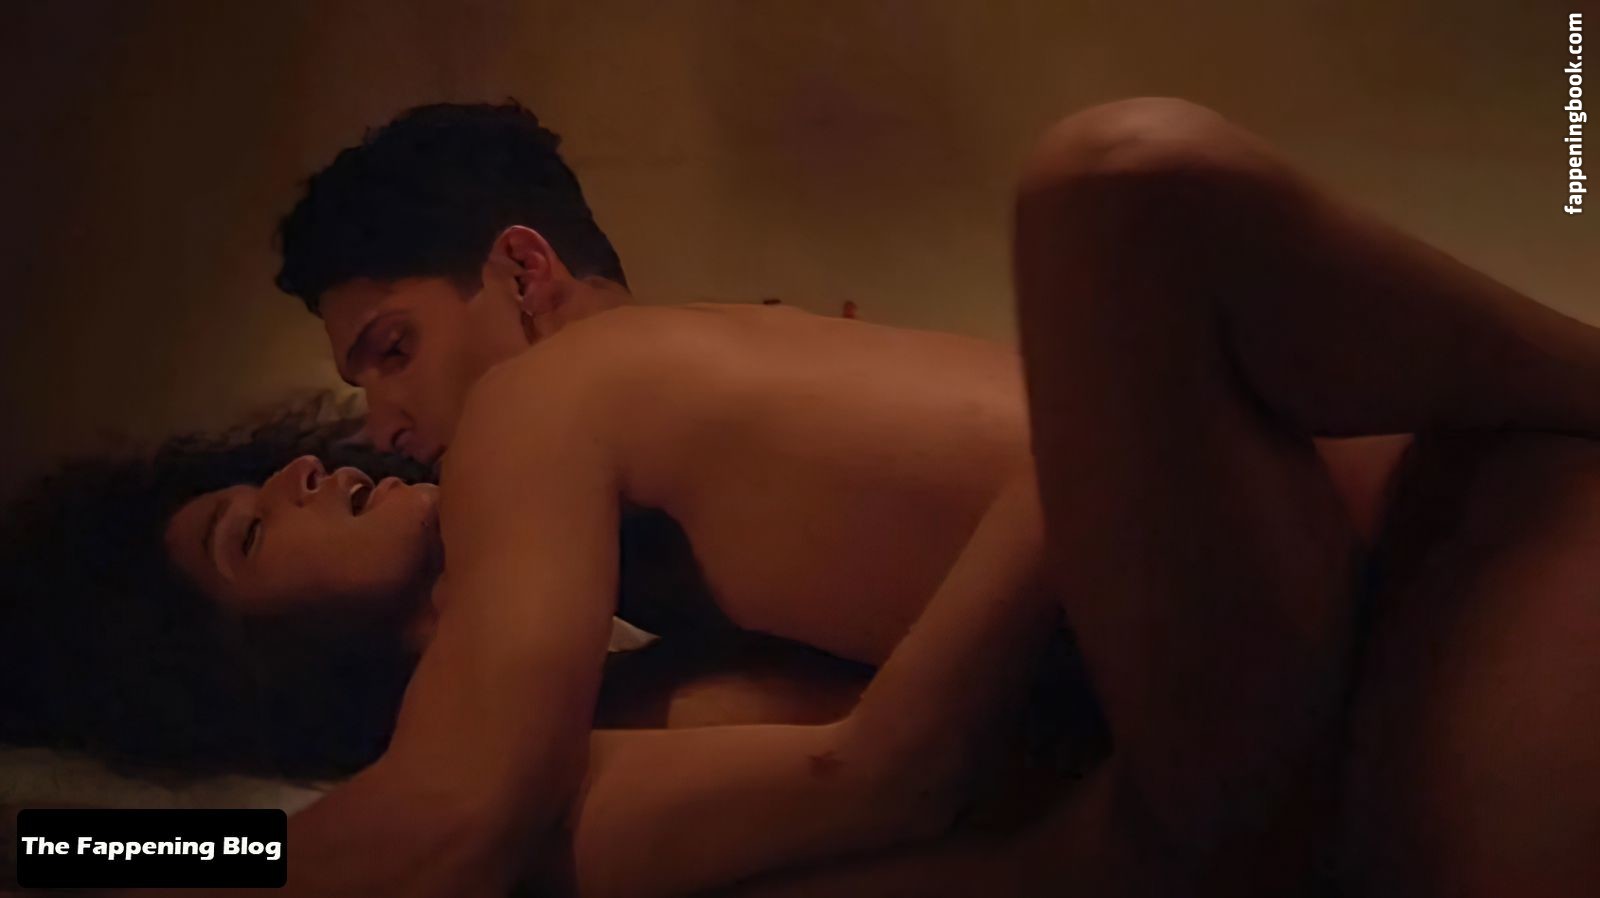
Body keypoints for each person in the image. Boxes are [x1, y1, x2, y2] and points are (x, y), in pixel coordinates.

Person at [271, 95, 1600, 898]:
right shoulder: (723, 416)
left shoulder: (540, 404)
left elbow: (449, 817)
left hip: (1427, 572)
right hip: (1405, 635)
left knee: (1112, 181)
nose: (380, 427)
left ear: (522, 273)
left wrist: (153, 854)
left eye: (390, 349)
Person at [1, 398, 1084, 898]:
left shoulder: (571, 528)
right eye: (247, 534)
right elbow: (305, 849)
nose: (301, 474)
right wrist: (73, 850)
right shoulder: (549, 771)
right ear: (244, 668)